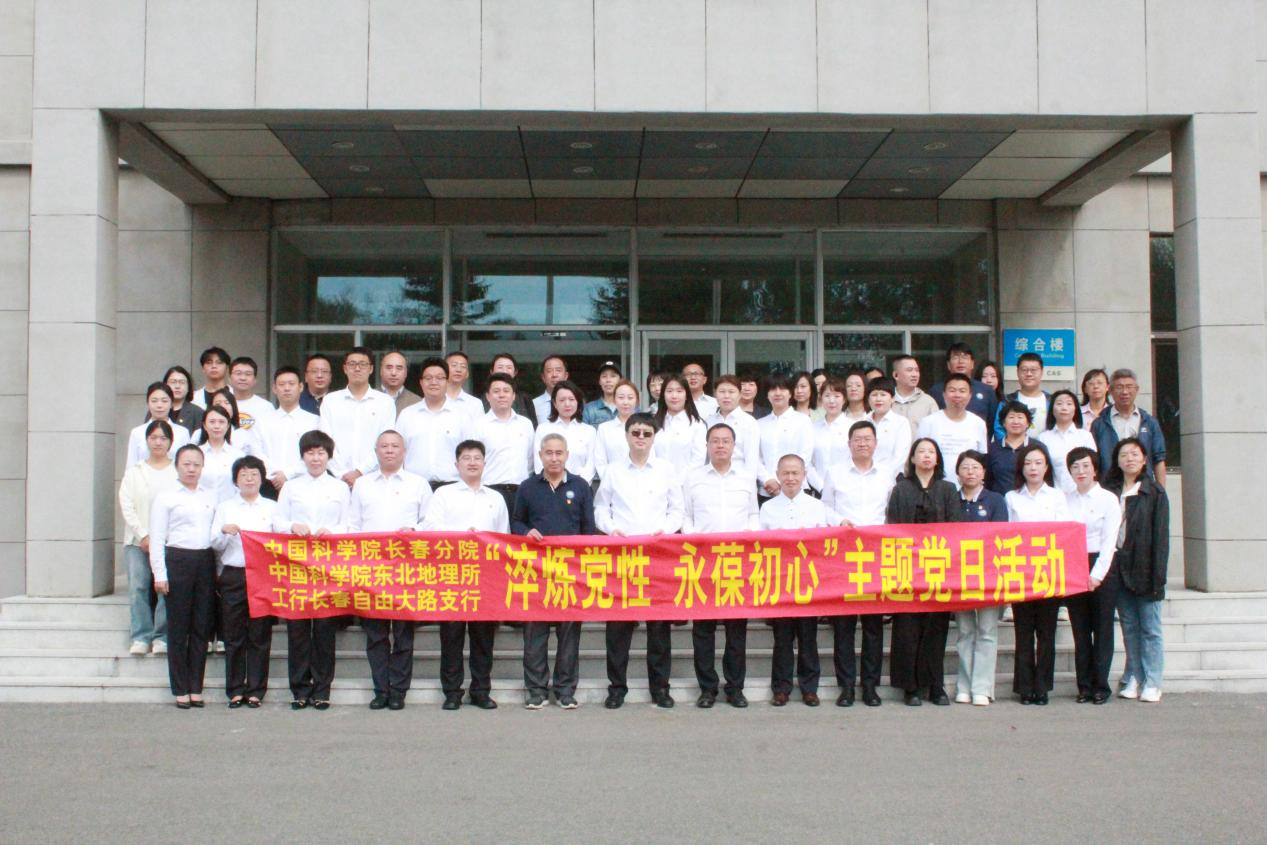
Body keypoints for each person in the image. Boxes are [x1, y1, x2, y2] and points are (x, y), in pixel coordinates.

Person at [593, 414, 683, 709]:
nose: (641, 438)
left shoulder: (666, 470)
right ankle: (617, 688)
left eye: (646, 433)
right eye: (636, 433)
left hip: (657, 557)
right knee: (618, 628)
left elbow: (677, 510)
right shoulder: (613, 470)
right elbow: (600, 508)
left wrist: (665, 531)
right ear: (627, 435)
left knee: (659, 628)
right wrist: (611, 529)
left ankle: (660, 688)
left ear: (654, 437)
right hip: (623, 557)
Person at [511, 433, 596, 709]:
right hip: (536, 570)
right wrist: (526, 532)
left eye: (559, 453)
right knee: (535, 633)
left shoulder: (581, 486)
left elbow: (588, 529)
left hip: (570, 572)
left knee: (569, 634)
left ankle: (565, 690)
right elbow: (516, 522)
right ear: (540, 456)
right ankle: (536, 690)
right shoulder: (528, 487)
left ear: (567, 455)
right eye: (549, 453)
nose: (554, 458)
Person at [348, 430, 431, 711]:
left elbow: (430, 522)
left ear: (404, 451)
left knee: (404, 634)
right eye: (384, 446)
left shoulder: (418, 483)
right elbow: (353, 524)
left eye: (395, 446)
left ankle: (399, 690)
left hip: (407, 568)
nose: (390, 450)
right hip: (371, 568)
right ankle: (381, 689)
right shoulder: (362, 485)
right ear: (376, 451)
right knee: (376, 634)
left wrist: (414, 530)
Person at [424, 440, 509, 710]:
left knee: (483, 638)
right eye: (466, 458)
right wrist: (463, 535)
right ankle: (452, 692)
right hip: (452, 575)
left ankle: (481, 690)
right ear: (456, 464)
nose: (472, 462)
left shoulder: (495, 498)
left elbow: (504, 536)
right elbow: (430, 528)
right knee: (452, 636)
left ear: (484, 463)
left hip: (485, 577)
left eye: (477, 458)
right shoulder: (443, 494)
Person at [683, 424, 759, 708]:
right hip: (703, 563)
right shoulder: (693, 478)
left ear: (734, 446)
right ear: (707, 445)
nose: (720, 446)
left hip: (737, 563)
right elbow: (686, 517)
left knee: (736, 630)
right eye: (715, 441)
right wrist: (695, 540)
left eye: (726, 441)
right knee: (703, 630)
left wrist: (749, 539)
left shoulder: (746, 478)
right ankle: (707, 688)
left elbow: (753, 515)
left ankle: (735, 687)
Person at [273, 430, 349, 710]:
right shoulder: (291, 487)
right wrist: (292, 526)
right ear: (302, 457)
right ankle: (300, 689)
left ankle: (322, 689)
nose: (316, 458)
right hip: (298, 564)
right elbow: (277, 522)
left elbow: (350, 523)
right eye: (310, 453)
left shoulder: (340, 488)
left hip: (329, 565)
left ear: (329, 457)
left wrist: (334, 531)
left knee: (325, 629)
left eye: (321, 453)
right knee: (298, 629)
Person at [820, 420, 892, 707]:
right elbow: (825, 506)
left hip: (876, 554)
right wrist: (839, 521)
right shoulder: (835, 472)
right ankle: (847, 686)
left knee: (873, 625)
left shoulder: (887, 473)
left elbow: (892, 510)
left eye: (867, 439)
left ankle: (870, 686)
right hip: (844, 555)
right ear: (848, 444)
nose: (862, 443)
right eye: (857, 439)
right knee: (844, 625)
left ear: (875, 443)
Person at [885, 438, 962, 706]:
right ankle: (910, 687)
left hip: (938, 568)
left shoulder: (948, 489)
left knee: (935, 628)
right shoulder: (901, 489)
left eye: (931, 452)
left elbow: (955, 527)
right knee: (907, 629)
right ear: (912, 458)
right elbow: (893, 525)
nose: (926, 456)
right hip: (907, 567)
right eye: (921, 452)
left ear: (938, 458)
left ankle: (935, 685)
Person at [760, 454, 839, 707]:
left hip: (808, 582)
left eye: (795, 473)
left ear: (804, 475)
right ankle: (781, 688)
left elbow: (823, 544)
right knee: (782, 638)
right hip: (780, 582)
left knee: (808, 637)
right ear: (778, 475)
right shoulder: (767, 508)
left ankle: (809, 688)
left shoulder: (816, 507)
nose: (791, 478)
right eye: (786, 473)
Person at [149, 444, 218, 709]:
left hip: (205, 560)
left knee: (201, 626)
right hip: (177, 560)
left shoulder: (210, 496)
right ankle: (180, 688)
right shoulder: (166, 497)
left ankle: (196, 686)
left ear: (202, 467)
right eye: (186, 464)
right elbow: (157, 538)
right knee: (178, 628)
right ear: (177, 465)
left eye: (196, 464)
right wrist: (160, 573)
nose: (191, 469)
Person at [1103, 437, 1169, 703]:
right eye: (1124, 455)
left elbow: (1161, 538)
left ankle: (1153, 680)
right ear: (1117, 461)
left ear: (1144, 460)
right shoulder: (1109, 490)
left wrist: (1158, 576)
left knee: (1150, 628)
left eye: (1134, 454)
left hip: (1144, 567)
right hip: (1118, 566)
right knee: (1129, 626)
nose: (1129, 459)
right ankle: (1134, 676)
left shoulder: (1154, 492)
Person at [1005, 443, 1071, 705]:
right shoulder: (1012, 497)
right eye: (1028, 463)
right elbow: (1006, 534)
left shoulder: (1057, 496)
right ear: (1021, 467)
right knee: (1023, 632)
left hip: (1048, 571)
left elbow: (1064, 532)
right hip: (1020, 571)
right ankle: (1024, 687)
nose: (1033, 468)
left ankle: (1042, 687)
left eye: (1038, 463)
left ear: (1046, 467)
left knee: (1046, 633)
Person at [210, 455, 277, 708]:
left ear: (262, 479)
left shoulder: (272, 507)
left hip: (262, 576)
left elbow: (281, 541)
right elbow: (214, 543)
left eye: (254, 474)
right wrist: (224, 533)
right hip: (234, 574)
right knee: (234, 634)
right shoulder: (225, 507)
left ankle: (256, 689)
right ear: (235, 480)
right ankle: (236, 689)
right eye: (244, 475)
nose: (249, 479)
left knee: (260, 635)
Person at [1064, 446, 1124, 705]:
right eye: (1075, 467)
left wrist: (1097, 575)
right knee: (1080, 629)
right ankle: (1084, 686)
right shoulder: (1065, 499)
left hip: (1102, 565)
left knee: (1102, 629)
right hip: (1074, 565)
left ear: (1095, 469)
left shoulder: (1108, 499)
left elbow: (1110, 540)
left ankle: (1101, 686)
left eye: (1086, 466)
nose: (1081, 471)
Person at [951, 450, 1008, 706]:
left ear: (984, 472)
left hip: (989, 575)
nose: (970, 472)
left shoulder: (995, 500)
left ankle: (982, 688)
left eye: (975, 467)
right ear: (957, 473)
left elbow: (1001, 537)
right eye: (965, 467)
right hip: (959, 575)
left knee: (986, 630)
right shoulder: (952, 499)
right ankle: (963, 686)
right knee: (964, 631)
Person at [118, 420, 177, 656]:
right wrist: (143, 535)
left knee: (165, 588)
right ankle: (140, 637)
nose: (158, 442)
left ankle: (162, 636)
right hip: (137, 542)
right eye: (153, 438)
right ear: (146, 441)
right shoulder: (135, 472)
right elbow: (127, 504)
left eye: (163, 438)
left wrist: (161, 538)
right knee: (139, 587)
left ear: (170, 442)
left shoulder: (177, 472)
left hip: (169, 540)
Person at [319, 347, 396, 488]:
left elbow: (385, 444)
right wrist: (341, 474)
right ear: (345, 368)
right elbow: (325, 441)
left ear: (371, 369)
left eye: (363, 364)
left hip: (374, 479)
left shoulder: (385, 402)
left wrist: (360, 472)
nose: (357, 368)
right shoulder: (330, 401)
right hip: (336, 479)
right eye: (352, 364)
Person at [395, 357, 470, 491]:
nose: (434, 382)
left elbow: (469, 455)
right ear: (421, 382)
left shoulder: (462, 416)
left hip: (452, 488)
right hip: (414, 487)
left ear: (447, 381)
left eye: (440, 378)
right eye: (428, 378)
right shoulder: (407, 415)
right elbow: (397, 453)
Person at [471, 372, 535, 515]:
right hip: (489, 491)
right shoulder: (478, 425)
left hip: (521, 492)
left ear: (513, 396)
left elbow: (530, 460)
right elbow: (473, 461)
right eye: (496, 391)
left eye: (506, 391)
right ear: (488, 396)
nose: (501, 395)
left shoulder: (525, 424)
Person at [1091, 368, 1167, 486]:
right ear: (1110, 391)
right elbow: (1093, 462)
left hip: (1143, 488)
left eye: (1129, 387)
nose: (1125, 392)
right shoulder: (1100, 424)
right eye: (1119, 387)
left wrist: (1161, 492)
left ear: (1137, 390)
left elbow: (1159, 459)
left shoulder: (1149, 422)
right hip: (1110, 487)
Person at [253, 366, 320, 494]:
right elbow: (256, 451)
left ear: (301, 387)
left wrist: (287, 474)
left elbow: (314, 453)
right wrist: (275, 475)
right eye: (282, 384)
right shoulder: (262, 421)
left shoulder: (314, 421)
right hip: (268, 484)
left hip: (303, 484)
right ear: (274, 388)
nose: (287, 388)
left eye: (291, 384)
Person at [916, 373, 988, 479]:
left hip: (967, 485)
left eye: (962, 391)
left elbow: (982, 458)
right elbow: (918, 455)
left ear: (970, 395)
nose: (957, 395)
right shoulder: (928, 422)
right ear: (944, 394)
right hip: (935, 484)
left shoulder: (978, 423)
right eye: (952, 390)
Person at [757, 373, 814, 501]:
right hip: (767, 491)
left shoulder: (803, 421)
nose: (777, 393)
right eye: (773, 389)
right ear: (767, 394)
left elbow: (805, 455)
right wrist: (768, 480)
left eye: (782, 389)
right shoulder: (760, 424)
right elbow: (755, 458)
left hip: (797, 490)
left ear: (790, 393)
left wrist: (783, 483)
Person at [533, 380, 596, 482]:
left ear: (578, 402)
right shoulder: (543, 429)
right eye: (562, 400)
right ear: (555, 403)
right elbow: (538, 461)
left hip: (580, 486)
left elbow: (591, 464)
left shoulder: (589, 431)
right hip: (549, 486)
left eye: (571, 399)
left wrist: (580, 485)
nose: (567, 404)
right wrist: (551, 484)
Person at [705, 374, 763, 481]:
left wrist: (748, 484)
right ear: (715, 394)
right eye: (722, 392)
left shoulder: (749, 422)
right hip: (711, 479)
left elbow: (752, 460)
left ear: (739, 394)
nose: (726, 396)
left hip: (739, 480)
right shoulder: (708, 421)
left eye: (731, 392)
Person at [1039, 389, 1096, 494]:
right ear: (1052, 409)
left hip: (1082, 493)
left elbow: (1093, 466)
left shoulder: (1085, 436)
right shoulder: (1043, 438)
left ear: (1075, 409)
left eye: (1069, 404)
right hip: (1053, 495)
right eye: (1059, 404)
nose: (1064, 408)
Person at [987, 402, 1049, 495]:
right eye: (1011, 417)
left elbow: (1047, 478)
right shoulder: (992, 449)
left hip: (1031, 500)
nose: (1016, 421)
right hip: (999, 501)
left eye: (1020, 417)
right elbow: (987, 480)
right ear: (1003, 423)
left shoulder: (1038, 448)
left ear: (1028, 423)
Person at [929, 342, 998, 426]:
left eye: (965, 357)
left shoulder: (986, 390)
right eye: (955, 357)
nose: (960, 361)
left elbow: (992, 424)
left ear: (972, 364)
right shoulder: (936, 391)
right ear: (948, 365)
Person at [126, 382, 191, 465]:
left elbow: (186, 463)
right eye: (154, 401)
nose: (159, 405)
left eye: (164, 401)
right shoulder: (137, 432)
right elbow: (131, 465)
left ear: (171, 404)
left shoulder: (182, 432)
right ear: (148, 403)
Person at [808, 376, 854, 492]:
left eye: (837, 396)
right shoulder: (813, 428)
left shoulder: (852, 427)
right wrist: (821, 487)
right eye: (827, 396)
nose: (831, 401)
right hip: (818, 490)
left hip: (846, 489)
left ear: (844, 399)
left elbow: (856, 461)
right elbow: (807, 462)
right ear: (821, 398)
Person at [652, 374, 707, 471]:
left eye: (679, 391)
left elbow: (698, 460)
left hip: (686, 479)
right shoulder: (654, 423)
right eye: (669, 391)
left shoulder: (697, 425)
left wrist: (678, 479)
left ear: (686, 395)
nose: (674, 396)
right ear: (663, 395)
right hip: (656, 478)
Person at [992, 352, 1049, 440]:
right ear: (1017, 372)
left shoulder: (1052, 401)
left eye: (1033, 370)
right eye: (1024, 370)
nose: (1029, 374)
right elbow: (999, 429)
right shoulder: (1007, 401)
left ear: (1041, 372)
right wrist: (1013, 445)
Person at [195, 405, 246, 503]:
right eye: (212, 422)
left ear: (228, 426)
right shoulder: (196, 454)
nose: (217, 426)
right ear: (204, 425)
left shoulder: (238, 455)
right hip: (200, 506)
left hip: (230, 508)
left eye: (221, 422)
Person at [593, 379, 641, 479]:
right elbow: (600, 461)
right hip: (612, 483)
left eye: (630, 398)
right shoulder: (604, 429)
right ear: (614, 400)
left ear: (637, 401)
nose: (625, 402)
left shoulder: (644, 428)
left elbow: (651, 457)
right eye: (621, 397)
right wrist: (611, 481)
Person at [866, 377, 911, 476]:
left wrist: (882, 475)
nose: (878, 399)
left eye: (883, 395)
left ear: (892, 399)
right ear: (868, 399)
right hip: (863, 476)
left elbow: (900, 456)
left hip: (892, 478)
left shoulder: (901, 423)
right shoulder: (862, 422)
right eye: (874, 395)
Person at [890, 355, 938, 432]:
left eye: (917, 370)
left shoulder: (928, 402)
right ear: (896, 375)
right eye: (909, 370)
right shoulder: (885, 400)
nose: (914, 374)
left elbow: (935, 432)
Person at [487, 352, 537, 426]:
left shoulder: (525, 398)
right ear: (492, 371)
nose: (504, 371)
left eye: (509, 367)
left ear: (515, 372)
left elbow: (533, 425)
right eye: (500, 367)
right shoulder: (484, 399)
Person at [228, 356, 274, 431]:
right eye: (238, 373)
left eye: (248, 374)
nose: (243, 378)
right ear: (229, 379)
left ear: (255, 380)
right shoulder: (221, 404)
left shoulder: (266, 407)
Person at [161, 365, 203, 434]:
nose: (177, 386)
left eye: (182, 382)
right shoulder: (157, 409)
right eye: (173, 382)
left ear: (188, 387)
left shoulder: (197, 412)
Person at [444, 351, 485, 421]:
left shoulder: (475, 404)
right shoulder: (434, 400)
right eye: (454, 365)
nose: (458, 370)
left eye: (463, 366)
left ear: (467, 374)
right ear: (443, 370)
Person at [582, 361, 622, 426]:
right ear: (599, 381)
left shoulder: (630, 408)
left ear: (620, 380)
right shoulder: (589, 409)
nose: (608, 380)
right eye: (604, 376)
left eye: (613, 376)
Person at [533, 355, 569, 425]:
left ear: (566, 376)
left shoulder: (574, 403)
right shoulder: (534, 404)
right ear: (543, 377)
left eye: (558, 370)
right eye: (549, 371)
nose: (554, 375)